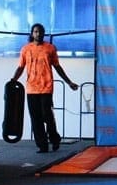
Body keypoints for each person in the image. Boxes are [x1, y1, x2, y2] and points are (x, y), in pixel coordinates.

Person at [10, 23, 79, 153]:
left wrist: (69, 82)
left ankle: (54, 138)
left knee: (47, 115)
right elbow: (20, 67)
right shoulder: (25, 49)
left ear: (43, 33)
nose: (38, 34)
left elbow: (57, 67)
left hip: (46, 87)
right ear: (32, 33)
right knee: (35, 118)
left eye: (41, 31)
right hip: (31, 88)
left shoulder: (50, 48)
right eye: (36, 31)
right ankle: (42, 145)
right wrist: (13, 80)